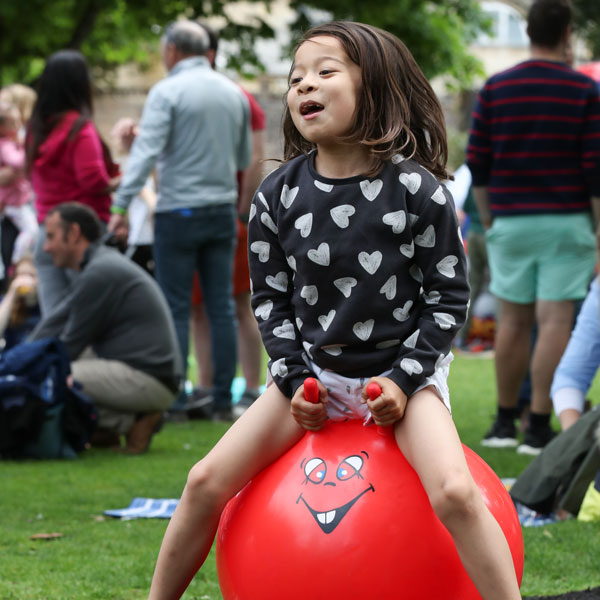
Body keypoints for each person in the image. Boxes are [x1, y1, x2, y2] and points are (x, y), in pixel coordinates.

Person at [148, 22, 521, 600]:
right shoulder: (275, 197)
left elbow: (448, 297)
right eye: (296, 77)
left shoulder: (420, 191)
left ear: (372, 86)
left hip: (405, 378)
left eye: (324, 71)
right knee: (202, 482)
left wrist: (403, 380)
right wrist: (295, 379)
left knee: (454, 492)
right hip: (313, 376)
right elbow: (271, 301)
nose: (304, 86)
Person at [467, 0, 600, 455]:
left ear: (527, 32)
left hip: (510, 220)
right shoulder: (582, 90)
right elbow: (594, 168)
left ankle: (504, 423)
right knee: (555, 322)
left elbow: (477, 161)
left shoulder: (496, 88)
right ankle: (539, 425)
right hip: (567, 221)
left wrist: (487, 216)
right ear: (566, 33)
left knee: (512, 324)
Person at [110, 20, 252, 421]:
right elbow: (243, 159)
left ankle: (173, 399)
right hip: (221, 208)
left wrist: (120, 207)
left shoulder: (166, 91)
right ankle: (222, 399)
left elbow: (145, 153)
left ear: (171, 50)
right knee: (221, 305)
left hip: (178, 211)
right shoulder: (233, 92)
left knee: (174, 307)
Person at [28, 202, 181, 454]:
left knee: (54, 378)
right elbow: (55, 320)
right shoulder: (100, 265)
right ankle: (119, 424)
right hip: (149, 374)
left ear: (74, 233)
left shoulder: (100, 272)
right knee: (54, 371)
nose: (46, 247)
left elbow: (69, 344)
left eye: (52, 237)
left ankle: (132, 422)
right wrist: (16, 362)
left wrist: (25, 373)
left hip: (152, 379)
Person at [189, 23, 265, 419]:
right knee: (199, 306)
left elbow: (255, 157)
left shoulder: (238, 97)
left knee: (239, 304)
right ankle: (203, 388)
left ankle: (252, 388)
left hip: (227, 215)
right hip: (208, 213)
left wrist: (242, 208)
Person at [26, 50, 120, 316]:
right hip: (81, 237)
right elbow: (92, 181)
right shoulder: (80, 129)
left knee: (53, 323)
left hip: (47, 235)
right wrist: (118, 181)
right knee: (91, 319)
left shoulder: (36, 130)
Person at [110, 117, 156, 275]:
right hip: (141, 237)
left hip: (143, 239)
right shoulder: (134, 172)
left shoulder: (141, 176)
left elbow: (152, 203)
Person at [0, 101, 38, 270]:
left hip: (17, 200)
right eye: (14, 124)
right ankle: (16, 261)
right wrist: (25, 146)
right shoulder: (6, 144)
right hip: (13, 201)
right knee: (32, 230)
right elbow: (18, 162)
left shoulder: (10, 142)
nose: (18, 127)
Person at [0, 255, 40, 349]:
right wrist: (11, 294)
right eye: (21, 274)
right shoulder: (6, 302)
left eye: (31, 275)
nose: (24, 280)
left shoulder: (45, 303)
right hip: (13, 358)